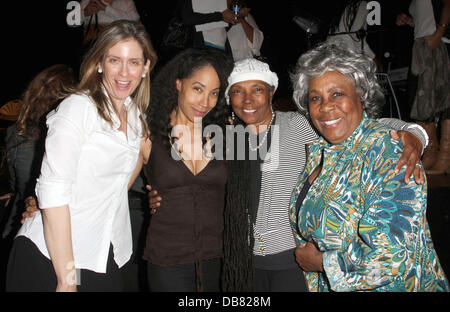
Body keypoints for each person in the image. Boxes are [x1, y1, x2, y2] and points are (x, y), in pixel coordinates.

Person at [148, 58, 427, 292]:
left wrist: (414, 134)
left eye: (257, 89)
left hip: (293, 260)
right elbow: (197, 176)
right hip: (245, 262)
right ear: (229, 98)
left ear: (271, 93)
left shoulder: (297, 126)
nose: (248, 99)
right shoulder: (227, 138)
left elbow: (362, 127)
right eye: (237, 91)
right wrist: (158, 193)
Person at [6, 20, 157, 292]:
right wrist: (66, 279)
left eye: (134, 62)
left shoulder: (135, 117)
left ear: (146, 67)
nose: (124, 72)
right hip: (52, 256)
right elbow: (53, 191)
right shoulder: (78, 108)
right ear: (99, 63)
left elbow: (121, 181)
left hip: (101, 249)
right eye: (115, 60)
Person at [289, 42, 449, 292]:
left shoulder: (388, 152)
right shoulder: (320, 153)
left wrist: (322, 263)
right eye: (315, 98)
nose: (325, 106)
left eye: (337, 94)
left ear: (361, 95)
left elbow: (389, 259)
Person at [143, 47, 234, 292]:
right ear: (178, 84)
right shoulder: (147, 134)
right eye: (198, 89)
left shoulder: (224, 135)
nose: (206, 102)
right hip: (167, 259)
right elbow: (112, 183)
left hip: (218, 258)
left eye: (214, 93)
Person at [1, 65, 75, 240]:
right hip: (55, 227)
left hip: (18, 224)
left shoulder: (16, 132)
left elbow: (16, 183)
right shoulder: (71, 136)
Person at [396, 0, 450, 174]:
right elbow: (425, 22)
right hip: (423, 46)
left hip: (440, 44)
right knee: (421, 101)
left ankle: (445, 157)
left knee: (443, 101)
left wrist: (439, 31)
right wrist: (410, 21)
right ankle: (431, 153)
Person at [327, 0, 382, 71]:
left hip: (333, 47)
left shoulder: (349, 5)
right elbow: (356, 34)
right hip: (346, 48)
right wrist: (373, 58)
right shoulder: (363, 4)